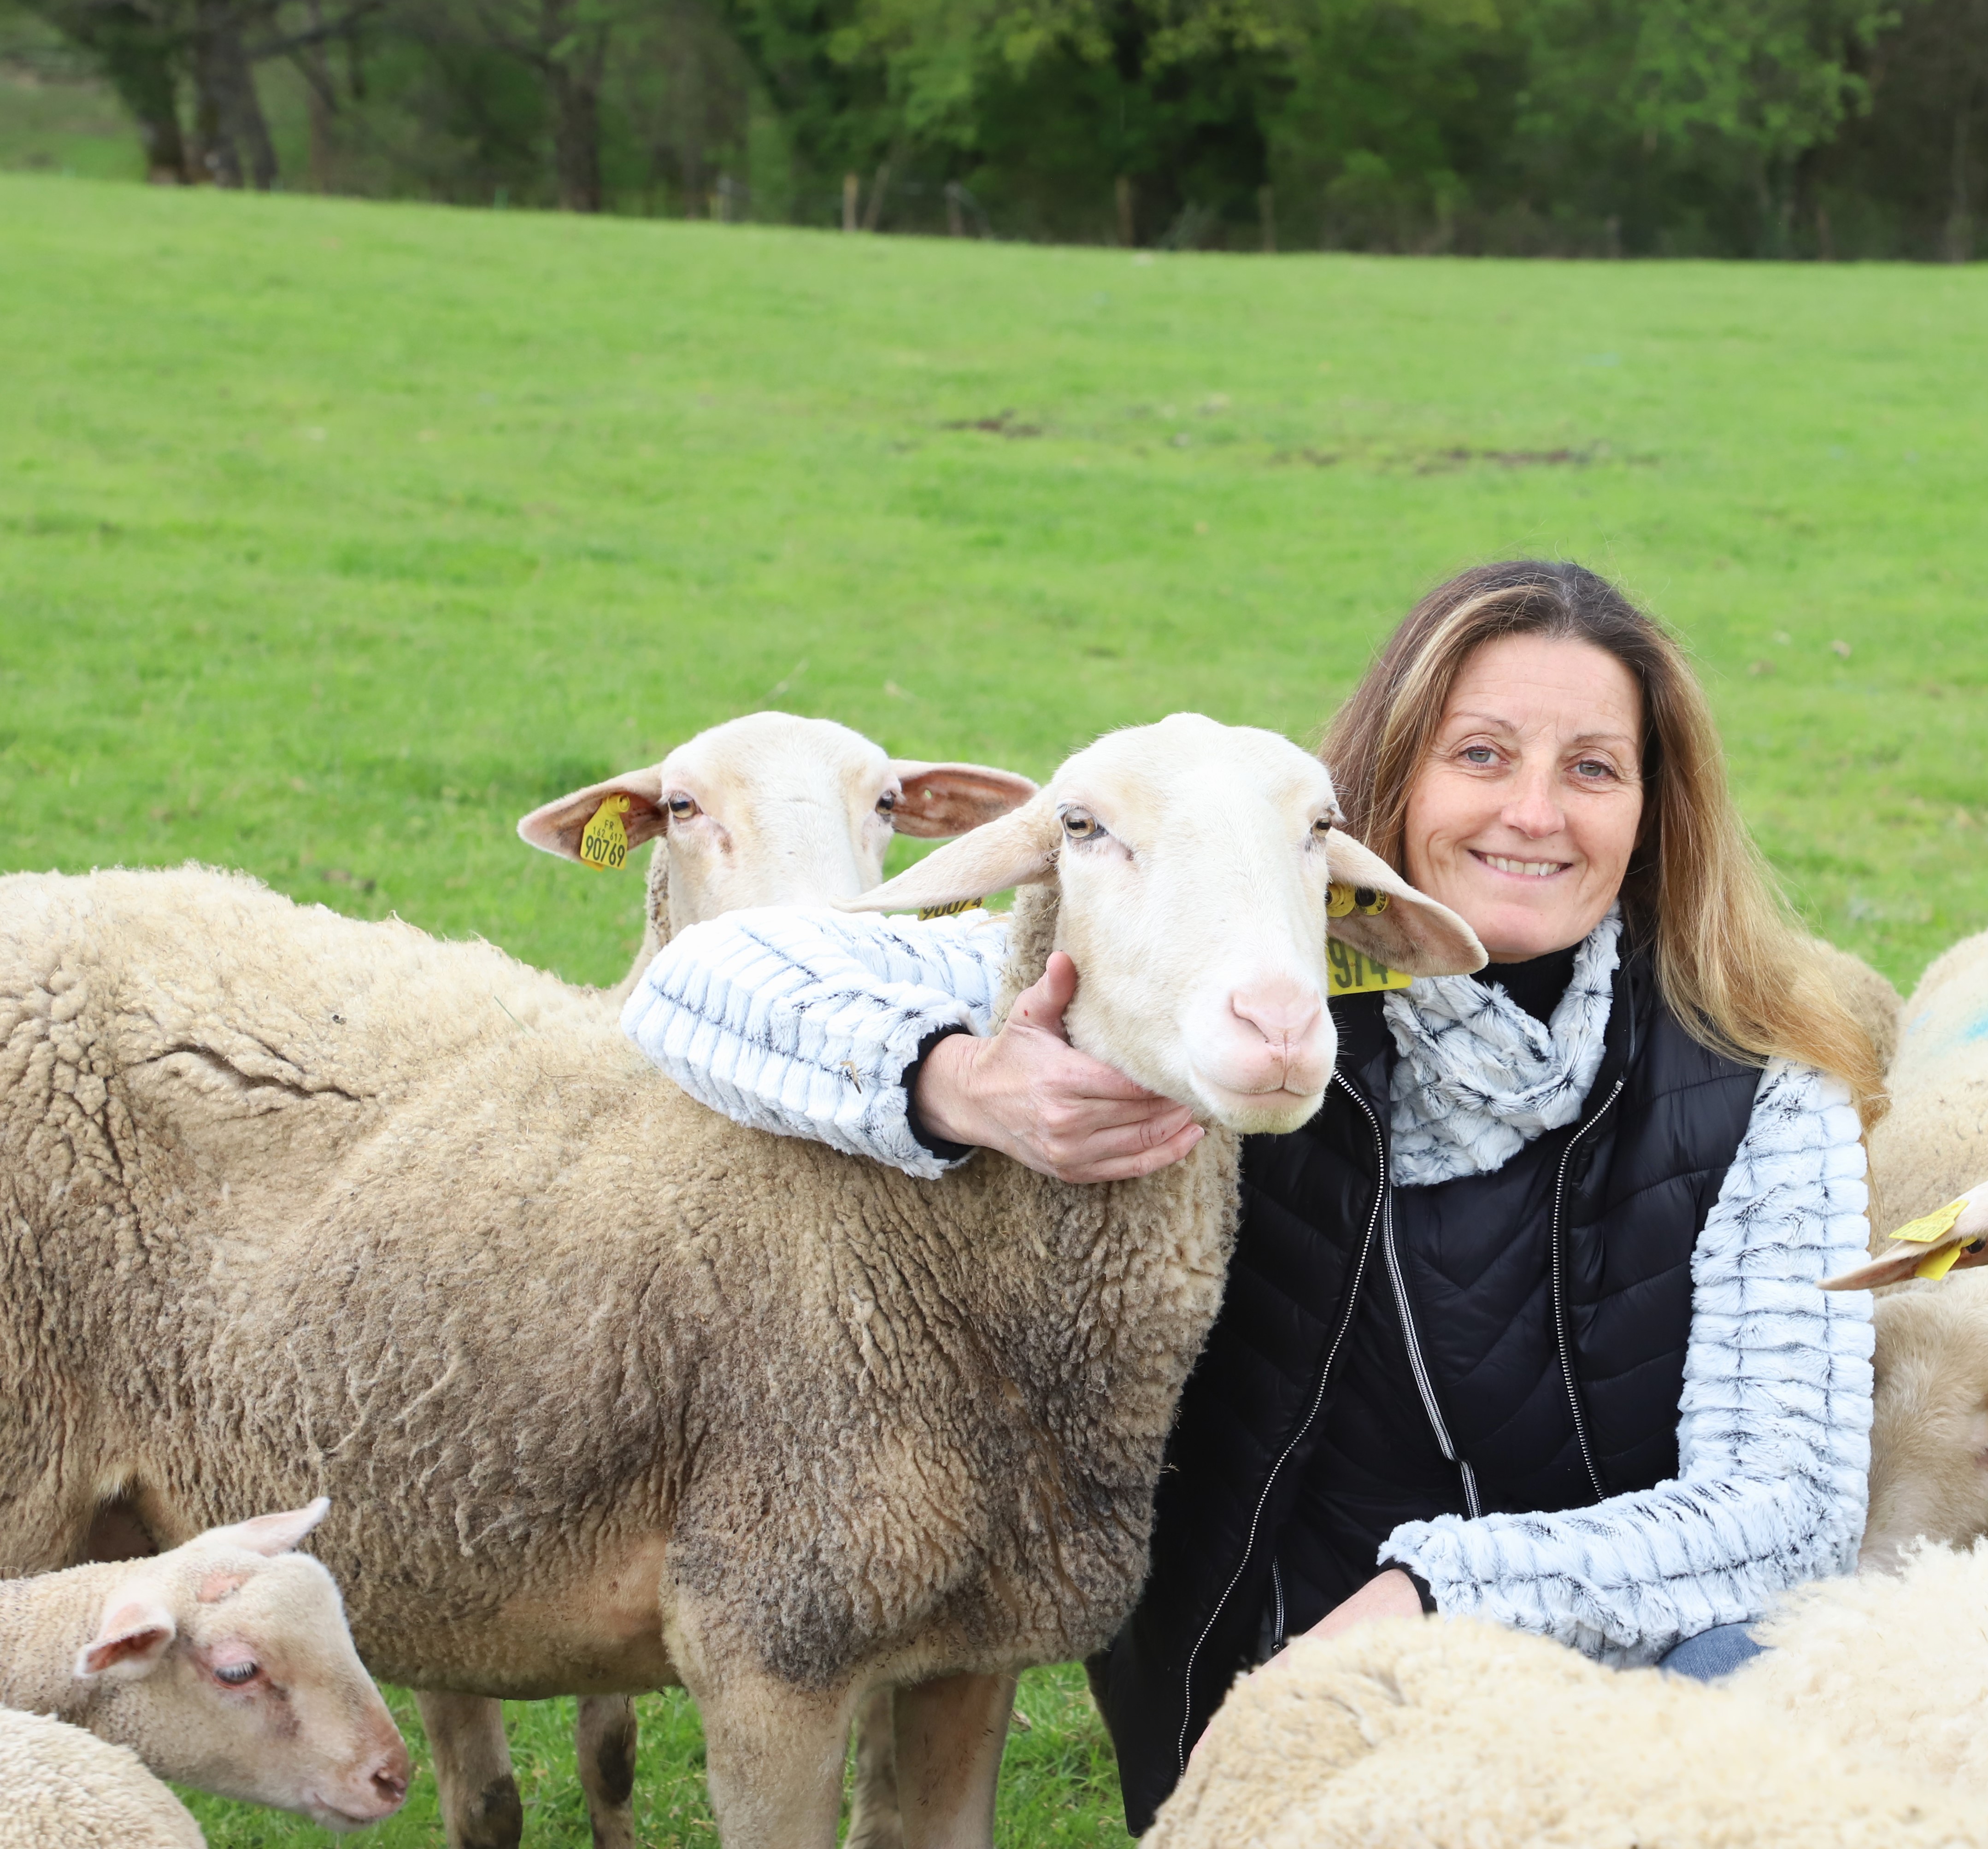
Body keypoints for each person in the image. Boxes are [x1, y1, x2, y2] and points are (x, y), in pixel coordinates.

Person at [623, 560, 1888, 1831]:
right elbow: (709, 982)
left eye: (1594, 769)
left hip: (1633, 1699)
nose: (1536, 814)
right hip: (1272, 1713)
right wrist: (955, 1084)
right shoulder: (1215, 992)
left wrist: (1432, 1594)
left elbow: (1784, 1507)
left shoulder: (1760, 1089)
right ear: (1392, 776)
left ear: (1656, 809)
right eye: (1484, 755)